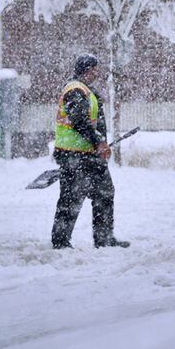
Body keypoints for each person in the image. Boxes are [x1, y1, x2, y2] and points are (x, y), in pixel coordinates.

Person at [50, 54, 129, 249]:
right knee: (71, 199)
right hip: (74, 155)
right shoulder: (75, 90)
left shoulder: (85, 90)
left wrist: (99, 144)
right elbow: (79, 120)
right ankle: (60, 242)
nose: (97, 72)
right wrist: (99, 142)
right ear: (87, 70)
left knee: (104, 193)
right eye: (94, 69)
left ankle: (104, 238)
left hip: (89, 155)